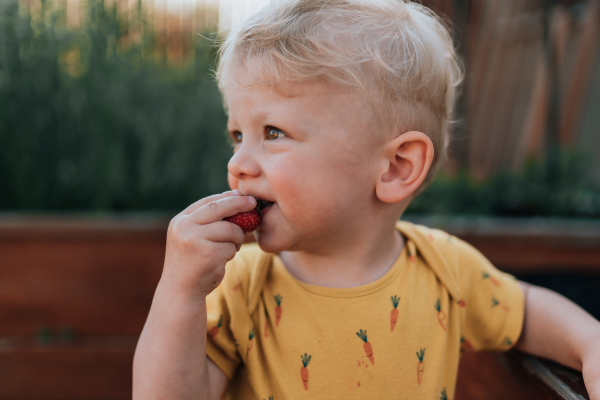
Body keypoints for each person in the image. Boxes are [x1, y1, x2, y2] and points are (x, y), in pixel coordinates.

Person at [132, 0, 600, 398]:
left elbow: (527, 311)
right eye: (238, 134)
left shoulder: (444, 270)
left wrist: (590, 342)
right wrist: (179, 291)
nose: (238, 163)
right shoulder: (238, 286)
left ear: (396, 167)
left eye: (273, 132)